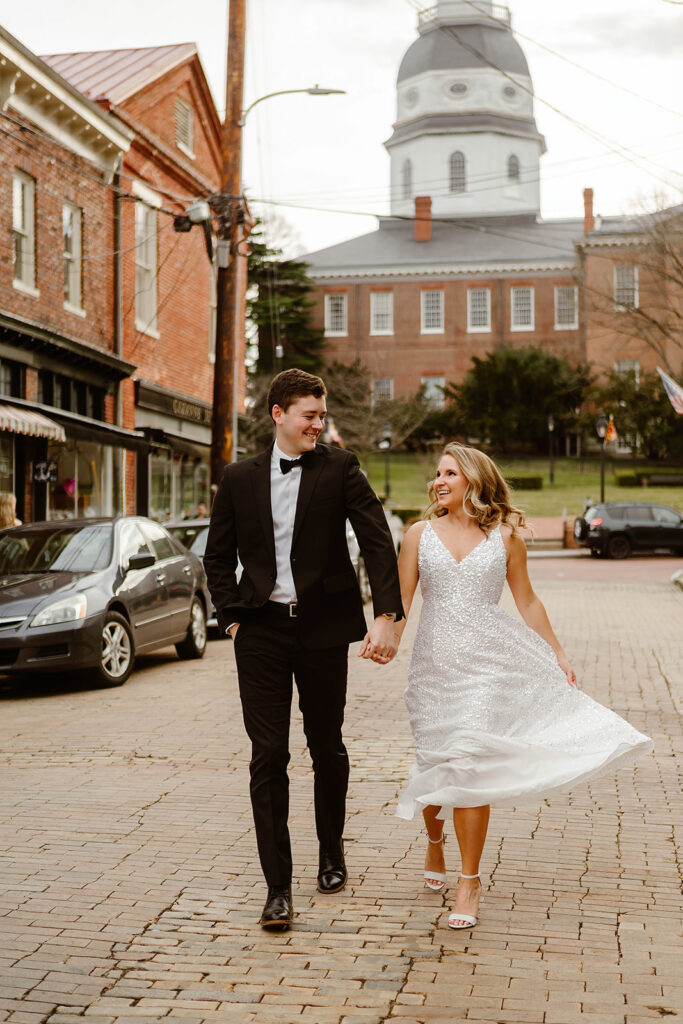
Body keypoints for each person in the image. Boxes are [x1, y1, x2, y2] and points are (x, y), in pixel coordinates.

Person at [394, 443, 652, 931]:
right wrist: (383, 634)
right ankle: (434, 841)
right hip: (433, 669)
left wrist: (557, 651)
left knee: (469, 764)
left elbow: (528, 601)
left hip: (488, 668)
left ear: (473, 478)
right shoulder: (417, 535)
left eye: (450, 472)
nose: (439, 480)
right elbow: (401, 604)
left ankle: (470, 882)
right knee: (437, 761)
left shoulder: (505, 538)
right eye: (437, 473)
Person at [204, 368, 403, 932]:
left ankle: (332, 851)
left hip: (321, 630)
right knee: (269, 755)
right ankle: (277, 889)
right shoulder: (238, 478)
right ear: (278, 414)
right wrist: (232, 620)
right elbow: (217, 558)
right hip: (260, 632)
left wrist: (387, 614)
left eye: (321, 415)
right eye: (309, 415)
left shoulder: (340, 468)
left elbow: (375, 539)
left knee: (326, 745)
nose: (319, 424)